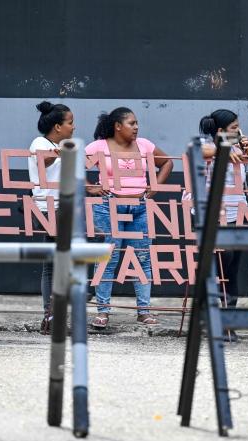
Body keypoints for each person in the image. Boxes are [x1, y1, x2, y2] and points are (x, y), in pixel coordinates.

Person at [86, 107, 173, 329]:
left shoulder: (144, 145)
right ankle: (103, 311)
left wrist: (155, 186)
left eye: (137, 124)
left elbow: (167, 163)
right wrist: (90, 188)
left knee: (142, 257)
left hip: (140, 207)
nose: (136, 127)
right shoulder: (99, 147)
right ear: (117, 126)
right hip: (109, 206)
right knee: (109, 257)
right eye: (131, 123)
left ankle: (143, 311)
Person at [198, 109, 248, 341]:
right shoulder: (205, 144)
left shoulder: (239, 147)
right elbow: (197, 152)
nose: (238, 131)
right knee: (217, 266)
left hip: (237, 213)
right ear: (220, 131)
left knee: (232, 268)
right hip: (213, 216)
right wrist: (224, 148)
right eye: (233, 128)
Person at [27, 101, 75, 334]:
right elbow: (42, 160)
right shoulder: (40, 143)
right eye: (70, 123)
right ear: (57, 126)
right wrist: (60, 151)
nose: (73, 127)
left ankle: (51, 316)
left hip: (61, 208)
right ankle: (53, 316)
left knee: (53, 264)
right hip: (49, 209)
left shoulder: (59, 146)